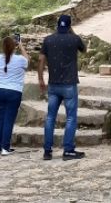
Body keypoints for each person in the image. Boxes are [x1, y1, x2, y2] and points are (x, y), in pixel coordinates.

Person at [38, 15, 86, 161]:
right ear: (70, 26)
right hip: (69, 84)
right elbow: (84, 49)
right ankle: (68, 150)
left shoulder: (48, 40)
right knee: (71, 117)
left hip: (53, 84)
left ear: (57, 25)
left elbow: (41, 60)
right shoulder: (74, 39)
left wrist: (40, 78)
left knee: (50, 117)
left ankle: (47, 151)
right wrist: (72, 31)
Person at [0, 36, 29, 156]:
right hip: (14, 91)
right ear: (14, 46)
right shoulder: (20, 59)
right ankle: (5, 147)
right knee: (8, 120)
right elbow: (27, 60)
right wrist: (21, 46)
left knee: (0, 119)